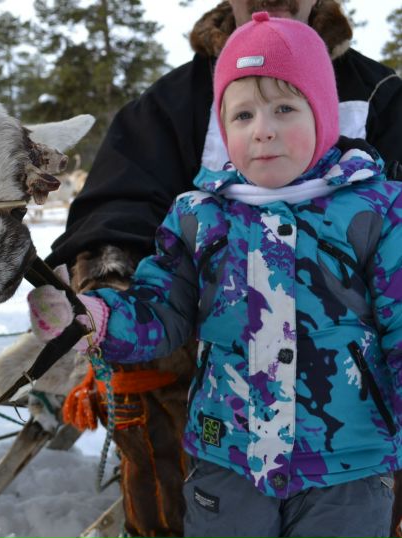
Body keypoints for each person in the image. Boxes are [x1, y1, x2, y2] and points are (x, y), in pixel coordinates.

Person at [37, 1, 402, 537]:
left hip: (346, 461)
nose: (263, 131)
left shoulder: (376, 209)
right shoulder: (200, 216)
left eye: (286, 109)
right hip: (227, 454)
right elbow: (161, 306)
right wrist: (96, 315)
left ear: (325, 117)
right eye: (243, 115)